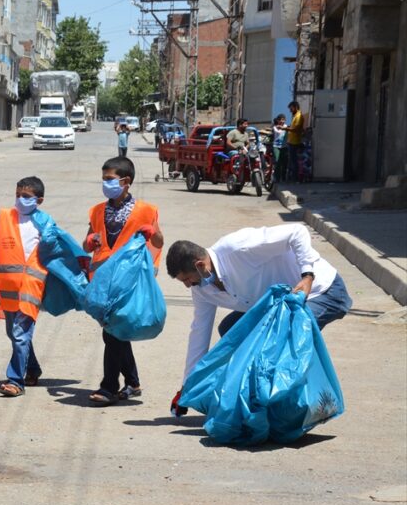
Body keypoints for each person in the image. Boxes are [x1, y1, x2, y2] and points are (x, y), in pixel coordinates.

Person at [165, 224, 353, 416]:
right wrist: (187, 386)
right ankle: (259, 401)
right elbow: (199, 333)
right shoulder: (202, 289)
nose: (188, 286)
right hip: (279, 305)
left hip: (321, 291)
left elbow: (297, 232)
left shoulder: (237, 248)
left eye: (187, 279)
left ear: (199, 265)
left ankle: (301, 406)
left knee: (281, 340)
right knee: (231, 329)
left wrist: (307, 276)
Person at [82, 156, 164, 406]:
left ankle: (109, 386)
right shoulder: (97, 210)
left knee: (112, 334)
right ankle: (132, 381)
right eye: (104, 179)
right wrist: (90, 242)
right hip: (104, 280)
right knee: (117, 330)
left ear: (125, 181)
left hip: (130, 280)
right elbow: (87, 242)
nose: (105, 183)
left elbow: (159, 242)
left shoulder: (146, 211)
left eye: (110, 179)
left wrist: (153, 233)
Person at [0, 176, 54, 397]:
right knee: (14, 332)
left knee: (20, 333)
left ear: (39, 200)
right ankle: (32, 368)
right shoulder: (5, 216)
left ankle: (15, 380)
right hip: (7, 290)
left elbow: (58, 250)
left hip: (31, 288)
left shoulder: (45, 222)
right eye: (18, 195)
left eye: (26, 196)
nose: (20, 200)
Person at [286, 101, 305, 182]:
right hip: (291, 141)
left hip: (294, 142)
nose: (290, 110)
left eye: (291, 108)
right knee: (291, 161)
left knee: (294, 161)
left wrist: (284, 128)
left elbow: (295, 129)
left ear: (295, 107)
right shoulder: (295, 116)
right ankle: (292, 178)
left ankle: (295, 179)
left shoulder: (299, 116)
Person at [272, 115, 288, 184]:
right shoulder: (275, 127)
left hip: (284, 146)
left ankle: (283, 177)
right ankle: (277, 178)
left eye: (283, 120)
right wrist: (282, 128)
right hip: (276, 146)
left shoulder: (286, 126)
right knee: (277, 162)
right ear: (278, 120)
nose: (282, 121)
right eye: (281, 120)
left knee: (285, 163)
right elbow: (277, 131)